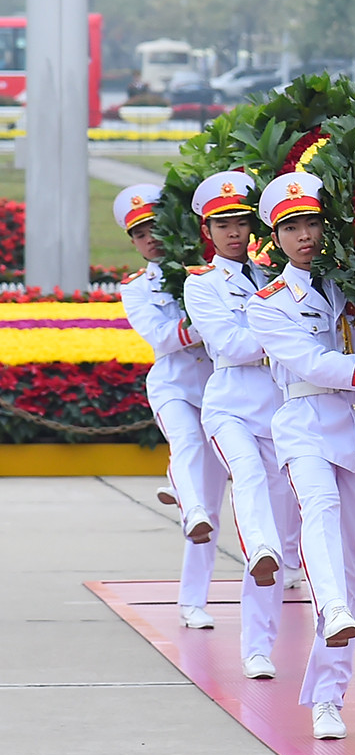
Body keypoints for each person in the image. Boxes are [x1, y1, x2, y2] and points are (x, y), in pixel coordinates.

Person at [246, 172, 355, 739]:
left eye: (312, 223)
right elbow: (315, 365)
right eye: (292, 227)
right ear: (276, 237)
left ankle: (329, 696)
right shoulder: (267, 304)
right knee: (315, 511)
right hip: (305, 424)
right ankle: (334, 612)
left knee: (349, 563)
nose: (305, 236)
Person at [182, 170, 299, 678]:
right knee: (247, 479)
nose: (233, 232)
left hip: (276, 410)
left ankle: (258, 648)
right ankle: (263, 548)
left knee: (273, 518)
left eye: (240, 222)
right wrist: (282, 335)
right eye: (221, 224)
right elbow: (227, 346)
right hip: (229, 404)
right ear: (207, 232)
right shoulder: (201, 284)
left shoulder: (276, 275)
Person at [114, 185, 220, 629]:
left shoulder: (210, 272)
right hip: (175, 384)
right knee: (188, 444)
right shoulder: (137, 289)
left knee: (228, 493)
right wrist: (211, 317)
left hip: (221, 390)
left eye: (156, 226)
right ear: (133, 242)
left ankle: (187, 496)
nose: (151, 238)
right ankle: (192, 601)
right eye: (140, 233)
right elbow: (162, 337)